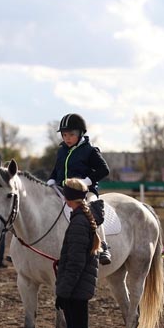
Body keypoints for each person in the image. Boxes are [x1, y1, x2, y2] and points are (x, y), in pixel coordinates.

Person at [54, 178, 101, 328]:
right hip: (78, 289)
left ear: (66, 197)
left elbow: (74, 263)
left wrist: (63, 292)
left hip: (75, 291)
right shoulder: (82, 218)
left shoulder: (78, 223)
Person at [47, 113, 112, 265]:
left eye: (71, 135)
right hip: (62, 188)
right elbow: (57, 168)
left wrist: (86, 181)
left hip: (85, 191)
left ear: (80, 133)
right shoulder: (62, 150)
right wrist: (51, 180)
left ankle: (103, 245)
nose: (67, 138)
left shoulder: (90, 150)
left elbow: (104, 170)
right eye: (64, 135)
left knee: (92, 209)